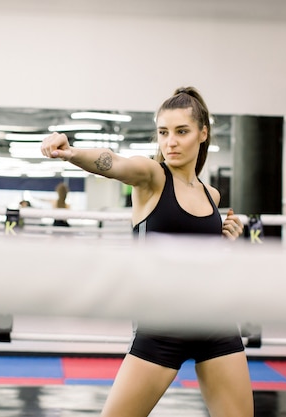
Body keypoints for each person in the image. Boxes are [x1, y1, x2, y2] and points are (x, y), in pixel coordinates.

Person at [41, 86, 253, 417]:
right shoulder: (151, 177)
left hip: (215, 322)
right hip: (161, 325)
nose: (170, 142)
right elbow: (115, 163)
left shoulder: (211, 195)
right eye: (164, 132)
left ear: (202, 133)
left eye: (181, 131)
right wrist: (72, 152)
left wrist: (225, 242)